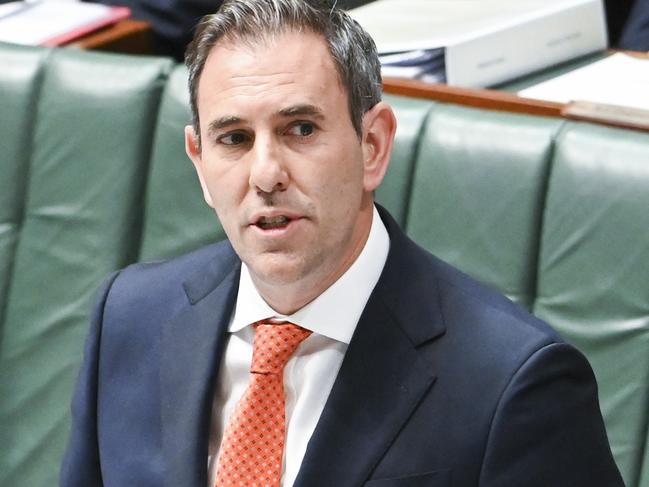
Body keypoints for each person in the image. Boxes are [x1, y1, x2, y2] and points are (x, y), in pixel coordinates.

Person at [60, 1, 625, 486]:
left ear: (373, 146)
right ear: (200, 163)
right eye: (233, 139)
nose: (266, 174)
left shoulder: (514, 383)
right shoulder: (129, 317)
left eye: (300, 129)